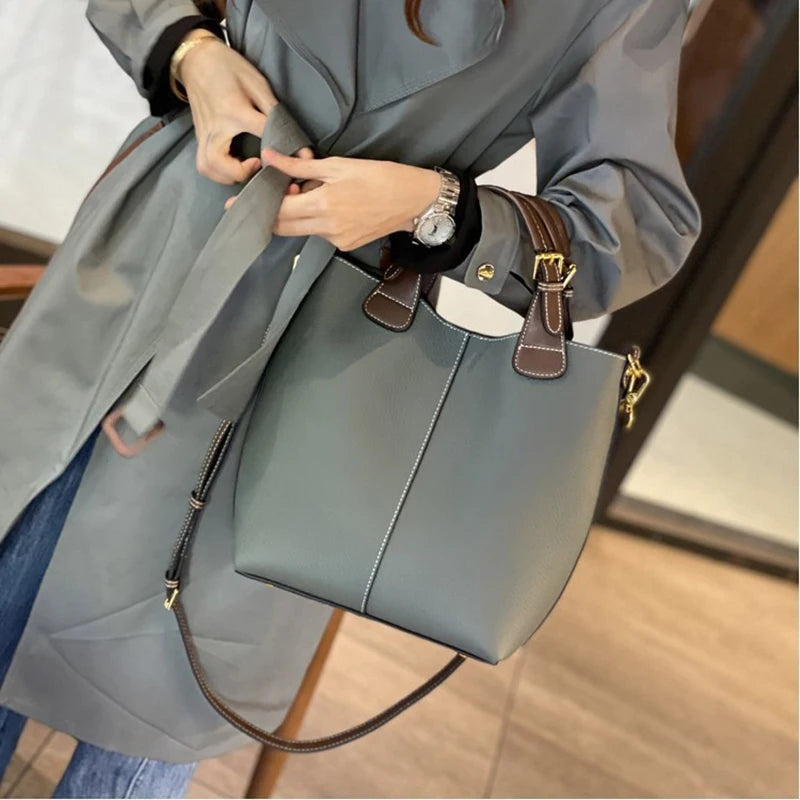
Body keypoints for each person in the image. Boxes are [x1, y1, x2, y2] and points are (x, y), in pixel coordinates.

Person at [0, 0, 701, 796]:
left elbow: (641, 215)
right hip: (160, 244)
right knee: (17, 560)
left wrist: (436, 210)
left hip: (323, 337)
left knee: (157, 697)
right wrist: (189, 51)